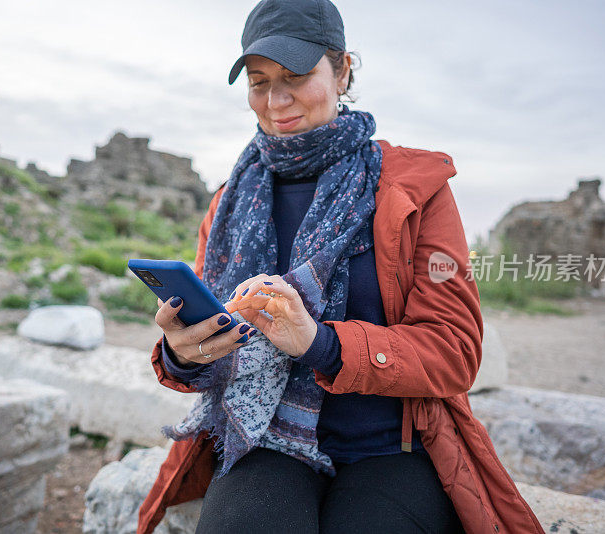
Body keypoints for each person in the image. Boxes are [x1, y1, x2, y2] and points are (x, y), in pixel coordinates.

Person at [138, 1, 544, 533]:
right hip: (267, 441)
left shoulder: (414, 192)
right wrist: (182, 354)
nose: (275, 100)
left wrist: (320, 344)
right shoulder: (230, 202)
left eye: (297, 76)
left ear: (344, 70)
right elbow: (210, 343)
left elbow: (455, 351)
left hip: (390, 450)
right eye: (258, 82)